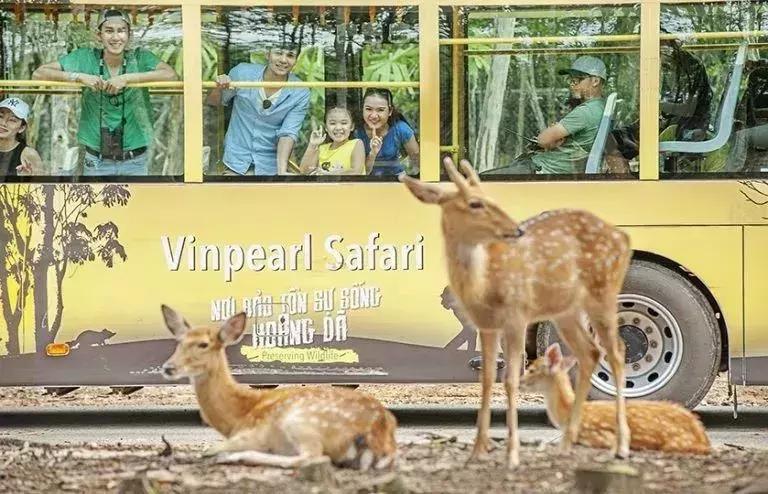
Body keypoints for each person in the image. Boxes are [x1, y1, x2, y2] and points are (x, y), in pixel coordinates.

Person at [32, 9, 178, 176]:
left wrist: (127, 79)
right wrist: (79, 77)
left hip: (135, 160)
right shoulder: (85, 57)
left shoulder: (140, 58)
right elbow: (39, 73)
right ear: (98, 35)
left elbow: (171, 75)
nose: (115, 37)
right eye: (109, 31)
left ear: (129, 35)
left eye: (121, 31)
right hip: (96, 160)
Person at [206, 35, 310, 176]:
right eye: (278, 53)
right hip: (236, 161)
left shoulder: (300, 91)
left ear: (296, 60)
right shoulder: (242, 73)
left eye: (290, 55)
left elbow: (288, 133)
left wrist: (281, 172)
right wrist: (219, 86)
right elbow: (214, 102)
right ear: (267, 54)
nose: (283, 60)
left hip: (270, 165)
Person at [485, 56, 607, 175]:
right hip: (547, 167)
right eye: (571, 80)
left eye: (577, 80)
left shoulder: (586, 112)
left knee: (478, 180)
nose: (572, 84)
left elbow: (543, 139)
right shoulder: (600, 107)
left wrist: (550, 140)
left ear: (595, 81)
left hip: (542, 168)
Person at [355, 88, 419, 176]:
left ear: (390, 111)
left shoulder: (400, 129)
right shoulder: (355, 132)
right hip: (363, 183)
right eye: (368, 109)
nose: (373, 115)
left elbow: (418, 161)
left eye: (380, 110)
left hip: (395, 181)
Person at [300, 106, 365, 175]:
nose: (338, 128)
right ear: (326, 128)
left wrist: (329, 174)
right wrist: (312, 144)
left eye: (344, 123)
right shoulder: (322, 149)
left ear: (351, 126)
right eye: (332, 123)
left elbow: (356, 172)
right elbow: (304, 171)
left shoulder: (356, 144)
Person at [0, 97, 42, 176]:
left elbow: (42, 186)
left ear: (21, 128)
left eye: (12, 120)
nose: (3, 123)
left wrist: (26, 179)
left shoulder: (29, 154)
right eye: (0, 116)